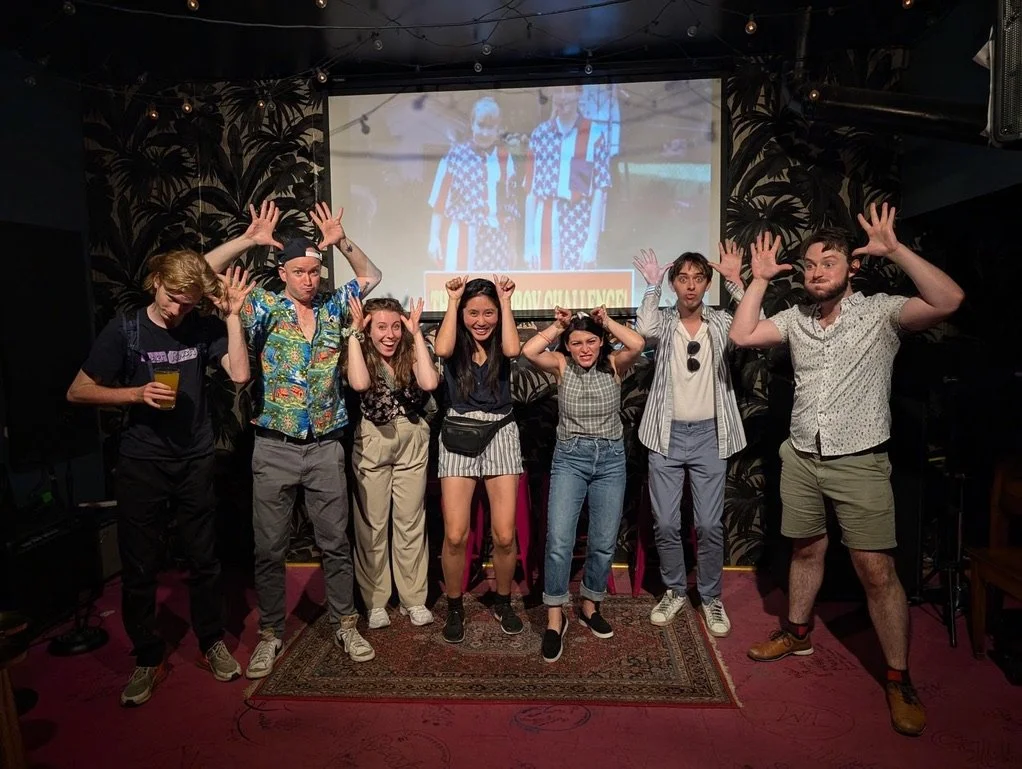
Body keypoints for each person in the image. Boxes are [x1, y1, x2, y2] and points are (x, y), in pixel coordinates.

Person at [729, 203, 965, 737]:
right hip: (802, 456)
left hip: (860, 459)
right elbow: (743, 336)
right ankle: (796, 631)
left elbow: (949, 300)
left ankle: (899, 676)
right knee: (806, 548)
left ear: (850, 268)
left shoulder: (881, 313)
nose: (816, 272)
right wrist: (760, 280)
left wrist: (897, 248)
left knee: (876, 571)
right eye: (809, 265)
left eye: (828, 262)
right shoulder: (795, 320)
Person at [203, 200, 383, 678]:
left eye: (315, 271)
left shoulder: (334, 305)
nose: (310, 279)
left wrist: (340, 240)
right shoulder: (262, 304)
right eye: (300, 271)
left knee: (335, 544)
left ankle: (346, 623)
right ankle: (271, 634)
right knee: (270, 548)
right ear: (282, 272)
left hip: (325, 445)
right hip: (274, 446)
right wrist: (246, 240)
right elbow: (199, 274)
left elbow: (371, 275)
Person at [67, 251, 253, 706]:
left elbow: (242, 374)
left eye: (188, 304)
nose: (176, 311)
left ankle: (211, 641)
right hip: (141, 463)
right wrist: (133, 393)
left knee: (205, 560)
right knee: (140, 567)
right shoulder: (125, 330)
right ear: (155, 282)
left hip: (193, 458)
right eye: (172, 299)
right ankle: (147, 655)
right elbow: (77, 390)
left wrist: (231, 319)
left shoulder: (201, 325)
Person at [632, 242, 749, 637]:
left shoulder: (720, 323)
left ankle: (712, 596)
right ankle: (675, 590)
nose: (691, 286)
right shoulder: (664, 322)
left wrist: (736, 283)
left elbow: (753, 327)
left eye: (698, 278)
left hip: (710, 436)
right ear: (674, 284)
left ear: (707, 283)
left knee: (710, 525)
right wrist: (651, 286)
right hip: (665, 436)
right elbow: (643, 330)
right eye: (683, 279)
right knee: (665, 523)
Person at [521, 305, 645, 662]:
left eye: (591, 341)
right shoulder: (562, 365)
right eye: (576, 343)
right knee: (559, 540)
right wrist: (558, 326)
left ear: (602, 341)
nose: (585, 349)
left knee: (604, 543)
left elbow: (636, 343)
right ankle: (555, 617)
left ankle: (590, 604)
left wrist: (607, 323)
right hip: (570, 459)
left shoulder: (614, 365)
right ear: (568, 346)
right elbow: (530, 352)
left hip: (610, 461)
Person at [433, 275, 523, 643]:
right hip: (458, 432)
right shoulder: (455, 339)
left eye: (488, 313)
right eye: (474, 313)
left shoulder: (503, 340)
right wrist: (453, 303)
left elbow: (516, 350)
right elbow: (440, 349)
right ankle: (455, 606)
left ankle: (503, 601)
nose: (481, 320)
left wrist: (505, 302)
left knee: (503, 534)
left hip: (501, 430)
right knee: (455, 534)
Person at [345, 295, 439, 630]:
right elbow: (359, 384)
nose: (390, 334)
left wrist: (414, 335)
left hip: (411, 435)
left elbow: (429, 383)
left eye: (395, 326)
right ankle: (375, 601)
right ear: (368, 328)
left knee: (410, 522)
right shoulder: (357, 349)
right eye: (381, 327)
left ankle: (413, 599)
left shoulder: (410, 347)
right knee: (372, 524)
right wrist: (355, 336)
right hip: (373, 437)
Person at [524, 85, 612, 271]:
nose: (562, 97)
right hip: (545, 220)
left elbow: (599, 192)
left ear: (579, 93)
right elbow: (531, 192)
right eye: (558, 91)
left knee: (575, 288)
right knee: (545, 287)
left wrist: (592, 243)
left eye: (568, 91)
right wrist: (528, 244)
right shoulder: (540, 135)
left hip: (578, 221)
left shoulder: (594, 133)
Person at [428, 96, 518, 272]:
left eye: (490, 127)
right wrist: (433, 239)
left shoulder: (505, 160)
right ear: (472, 124)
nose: (484, 133)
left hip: (496, 242)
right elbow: (439, 204)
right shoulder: (455, 156)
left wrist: (512, 247)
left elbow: (510, 209)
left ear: (498, 129)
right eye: (481, 125)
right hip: (463, 238)